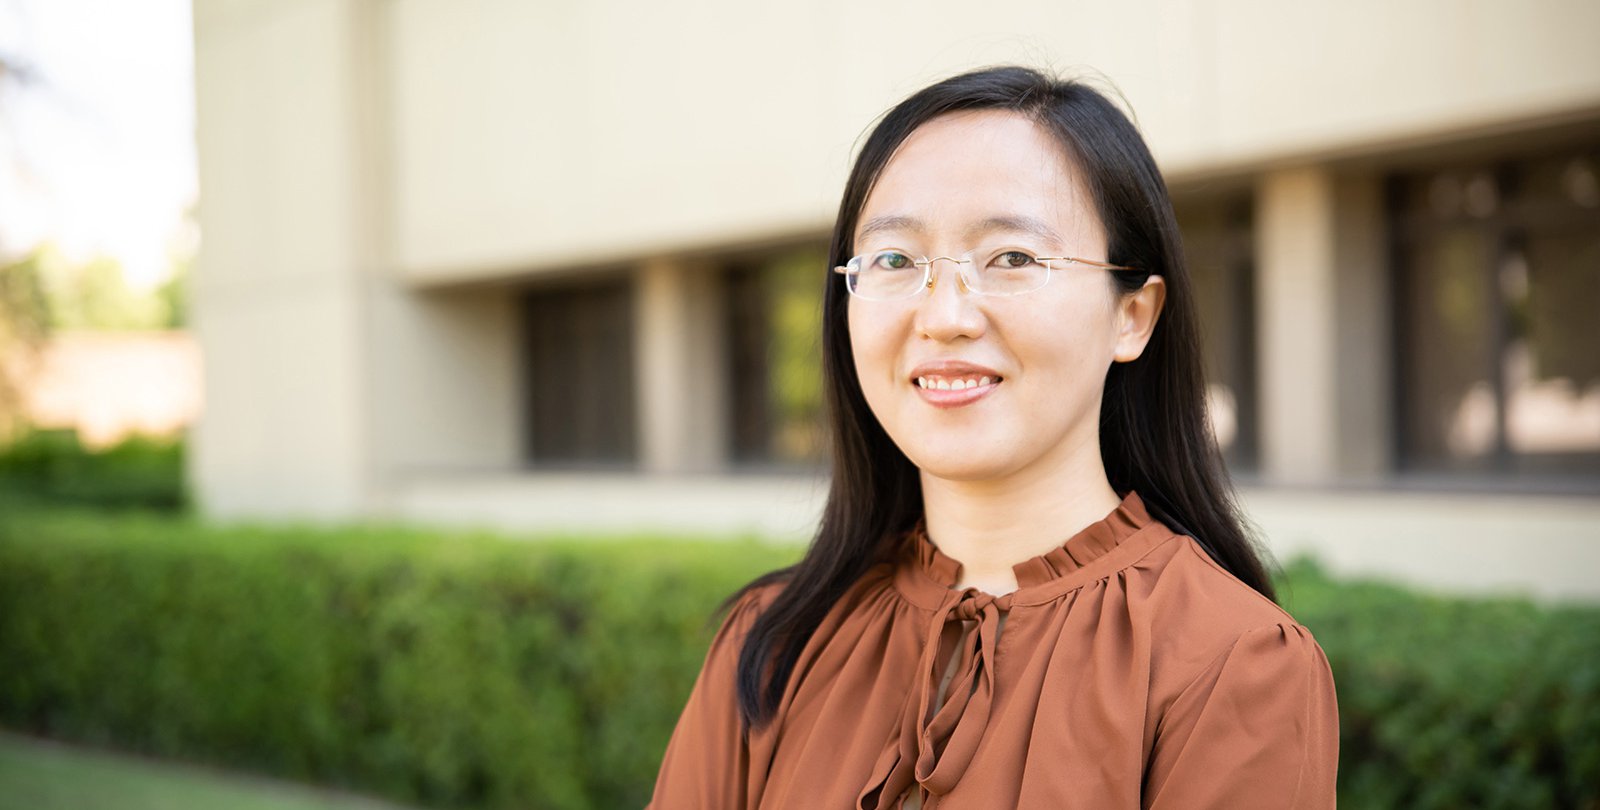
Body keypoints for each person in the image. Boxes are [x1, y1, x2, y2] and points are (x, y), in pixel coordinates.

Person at [649, 65, 1339, 809]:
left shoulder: (1232, 664)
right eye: (894, 260)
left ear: (1132, 315)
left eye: (1012, 258)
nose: (944, 316)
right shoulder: (773, 644)